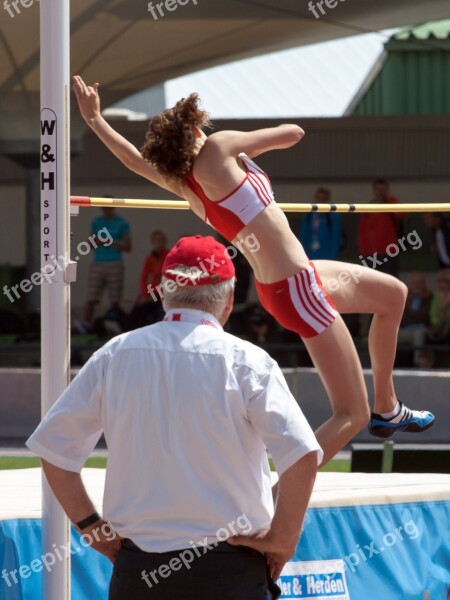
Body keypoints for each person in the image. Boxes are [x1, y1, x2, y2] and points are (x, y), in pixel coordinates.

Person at [73, 76, 434, 456]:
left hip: (290, 281)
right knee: (350, 414)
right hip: (297, 288)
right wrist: (246, 146)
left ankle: (388, 407)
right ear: (196, 128)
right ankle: (277, 501)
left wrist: (95, 119)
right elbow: (292, 133)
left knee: (393, 294)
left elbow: (133, 160)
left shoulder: (187, 186)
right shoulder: (217, 148)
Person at [26, 235, 321, 600]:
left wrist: (93, 529)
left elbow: (54, 449)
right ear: (229, 301)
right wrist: (283, 539)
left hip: (139, 568)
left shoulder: (115, 354)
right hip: (231, 567)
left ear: (164, 293)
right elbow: (303, 453)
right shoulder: (248, 361)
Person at [83, 206, 131, 327]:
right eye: (104, 208)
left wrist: (112, 242)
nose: (107, 210)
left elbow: (128, 246)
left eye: (109, 208)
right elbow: (90, 244)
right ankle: (86, 324)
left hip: (115, 262)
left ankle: (112, 322)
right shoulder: (97, 222)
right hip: (98, 262)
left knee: (115, 298)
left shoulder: (122, 222)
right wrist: (99, 241)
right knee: (91, 297)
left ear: (113, 208)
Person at [357, 179, 404, 277]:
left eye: (383, 189)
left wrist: (389, 200)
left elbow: (401, 214)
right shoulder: (367, 208)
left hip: (389, 252)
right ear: (373, 191)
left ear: (387, 190)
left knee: (390, 281)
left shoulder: (391, 205)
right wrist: (363, 252)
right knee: (370, 282)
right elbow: (362, 232)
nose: (380, 192)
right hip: (369, 253)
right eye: (378, 189)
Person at [397, 272, 432, 364]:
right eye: (414, 282)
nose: (417, 285)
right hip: (406, 329)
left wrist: (411, 315)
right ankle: (387, 364)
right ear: (411, 284)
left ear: (424, 284)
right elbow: (402, 316)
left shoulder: (430, 297)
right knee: (390, 335)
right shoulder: (405, 297)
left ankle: (417, 363)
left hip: (422, 329)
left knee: (418, 335)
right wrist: (415, 316)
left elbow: (424, 316)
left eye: (419, 282)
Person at [299, 187, 342, 260]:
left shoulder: (333, 217)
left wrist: (333, 259)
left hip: (328, 258)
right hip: (311, 257)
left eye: (323, 199)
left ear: (327, 200)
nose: (320, 201)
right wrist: (302, 255)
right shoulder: (308, 216)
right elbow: (303, 237)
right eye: (318, 198)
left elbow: (336, 239)